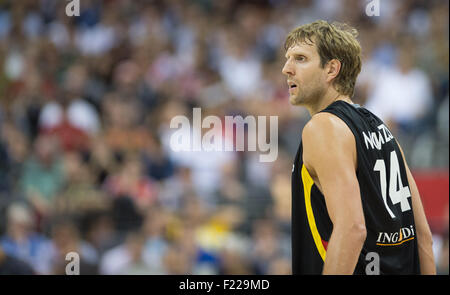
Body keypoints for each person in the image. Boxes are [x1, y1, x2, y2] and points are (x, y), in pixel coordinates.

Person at [282, 20, 436, 275]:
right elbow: (423, 236)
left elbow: (352, 229)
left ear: (331, 69)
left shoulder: (323, 127)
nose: (287, 68)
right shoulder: (383, 129)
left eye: (300, 58)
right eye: (288, 59)